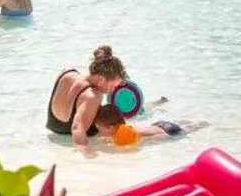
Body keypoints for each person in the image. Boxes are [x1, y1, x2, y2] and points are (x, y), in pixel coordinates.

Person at [45, 46, 190, 148]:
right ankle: (178, 127)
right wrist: (87, 157)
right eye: (112, 86)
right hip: (98, 127)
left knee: (126, 115)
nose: (113, 90)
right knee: (134, 133)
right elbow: (77, 129)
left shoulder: (68, 73)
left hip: (58, 130)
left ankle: (153, 105)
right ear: (101, 80)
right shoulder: (92, 96)